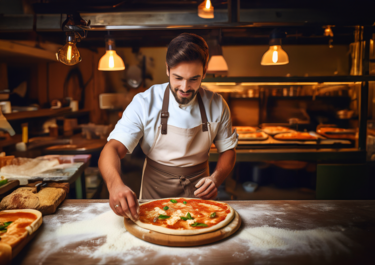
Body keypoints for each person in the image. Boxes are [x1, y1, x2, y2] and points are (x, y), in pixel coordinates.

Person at [99, 33, 238, 221]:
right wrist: (115, 185)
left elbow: (228, 151)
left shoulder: (217, 105)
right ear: (167, 69)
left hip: (200, 196)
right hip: (154, 193)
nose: (185, 87)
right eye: (178, 77)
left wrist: (216, 179)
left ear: (205, 72)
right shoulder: (144, 102)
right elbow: (112, 149)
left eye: (194, 79)